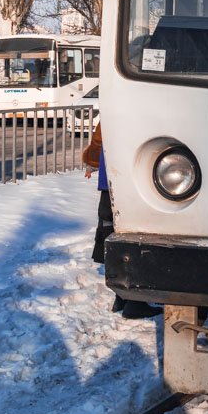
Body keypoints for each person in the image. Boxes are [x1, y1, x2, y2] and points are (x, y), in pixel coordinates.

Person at [82, 124, 159, 319]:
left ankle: (122, 296)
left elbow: (98, 139)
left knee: (114, 237)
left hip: (109, 183)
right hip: (134, 181)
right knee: (137, 237)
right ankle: (135, 302)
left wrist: (91, 162)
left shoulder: (114, 110)